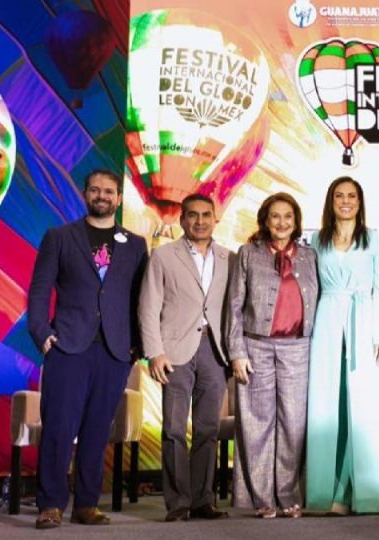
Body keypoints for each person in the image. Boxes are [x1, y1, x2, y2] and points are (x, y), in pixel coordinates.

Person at [27, 170, 148, 529]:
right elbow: (39, 290)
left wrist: (138, 344)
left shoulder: (136, 244)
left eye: (109, 191)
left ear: (119, 198)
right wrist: (42, 333)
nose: (101, 196)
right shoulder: (60, 237)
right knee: (59, 427)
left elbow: (141, 298)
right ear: (85, 194)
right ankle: (51, 504)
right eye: (95, 190)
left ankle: (86, 504)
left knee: (97, 430)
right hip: (68, 346)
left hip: (115, 350)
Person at [138, 193, 233, 522]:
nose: (200, 221)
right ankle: (178, 502)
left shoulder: (230, 258)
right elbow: (148, 306)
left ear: (215, 219)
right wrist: (154, 352)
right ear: (182, 220)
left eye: (206, 215)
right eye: (193, 215)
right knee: (174, 429)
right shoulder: (163, 256)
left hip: (215, 351)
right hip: (174, 351)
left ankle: (203, 500)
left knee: (208, 429)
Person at [226, 192, 319, 518]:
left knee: (294, 424)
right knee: (257, 424)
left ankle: (288, 494)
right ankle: (262, 498)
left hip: (298, 348)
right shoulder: (248, 254)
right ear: (265, 220)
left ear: (296, 222)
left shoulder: (309, 256)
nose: (282, 222)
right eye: (275, 216)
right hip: (256, 347)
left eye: (288, 216)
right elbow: (234, 306)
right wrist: (237, 351)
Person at [306, 177, 379, 514]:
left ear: (360, 201)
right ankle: (326, 492)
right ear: (331, 201)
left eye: (351, 196)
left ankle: (363, 492)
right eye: (339, 196)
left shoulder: (375, 240)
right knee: (326, 405)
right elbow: (311, 287)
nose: (345, 201)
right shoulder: (318, 239)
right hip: (326, 320)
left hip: (364, 321)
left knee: (363, 408)